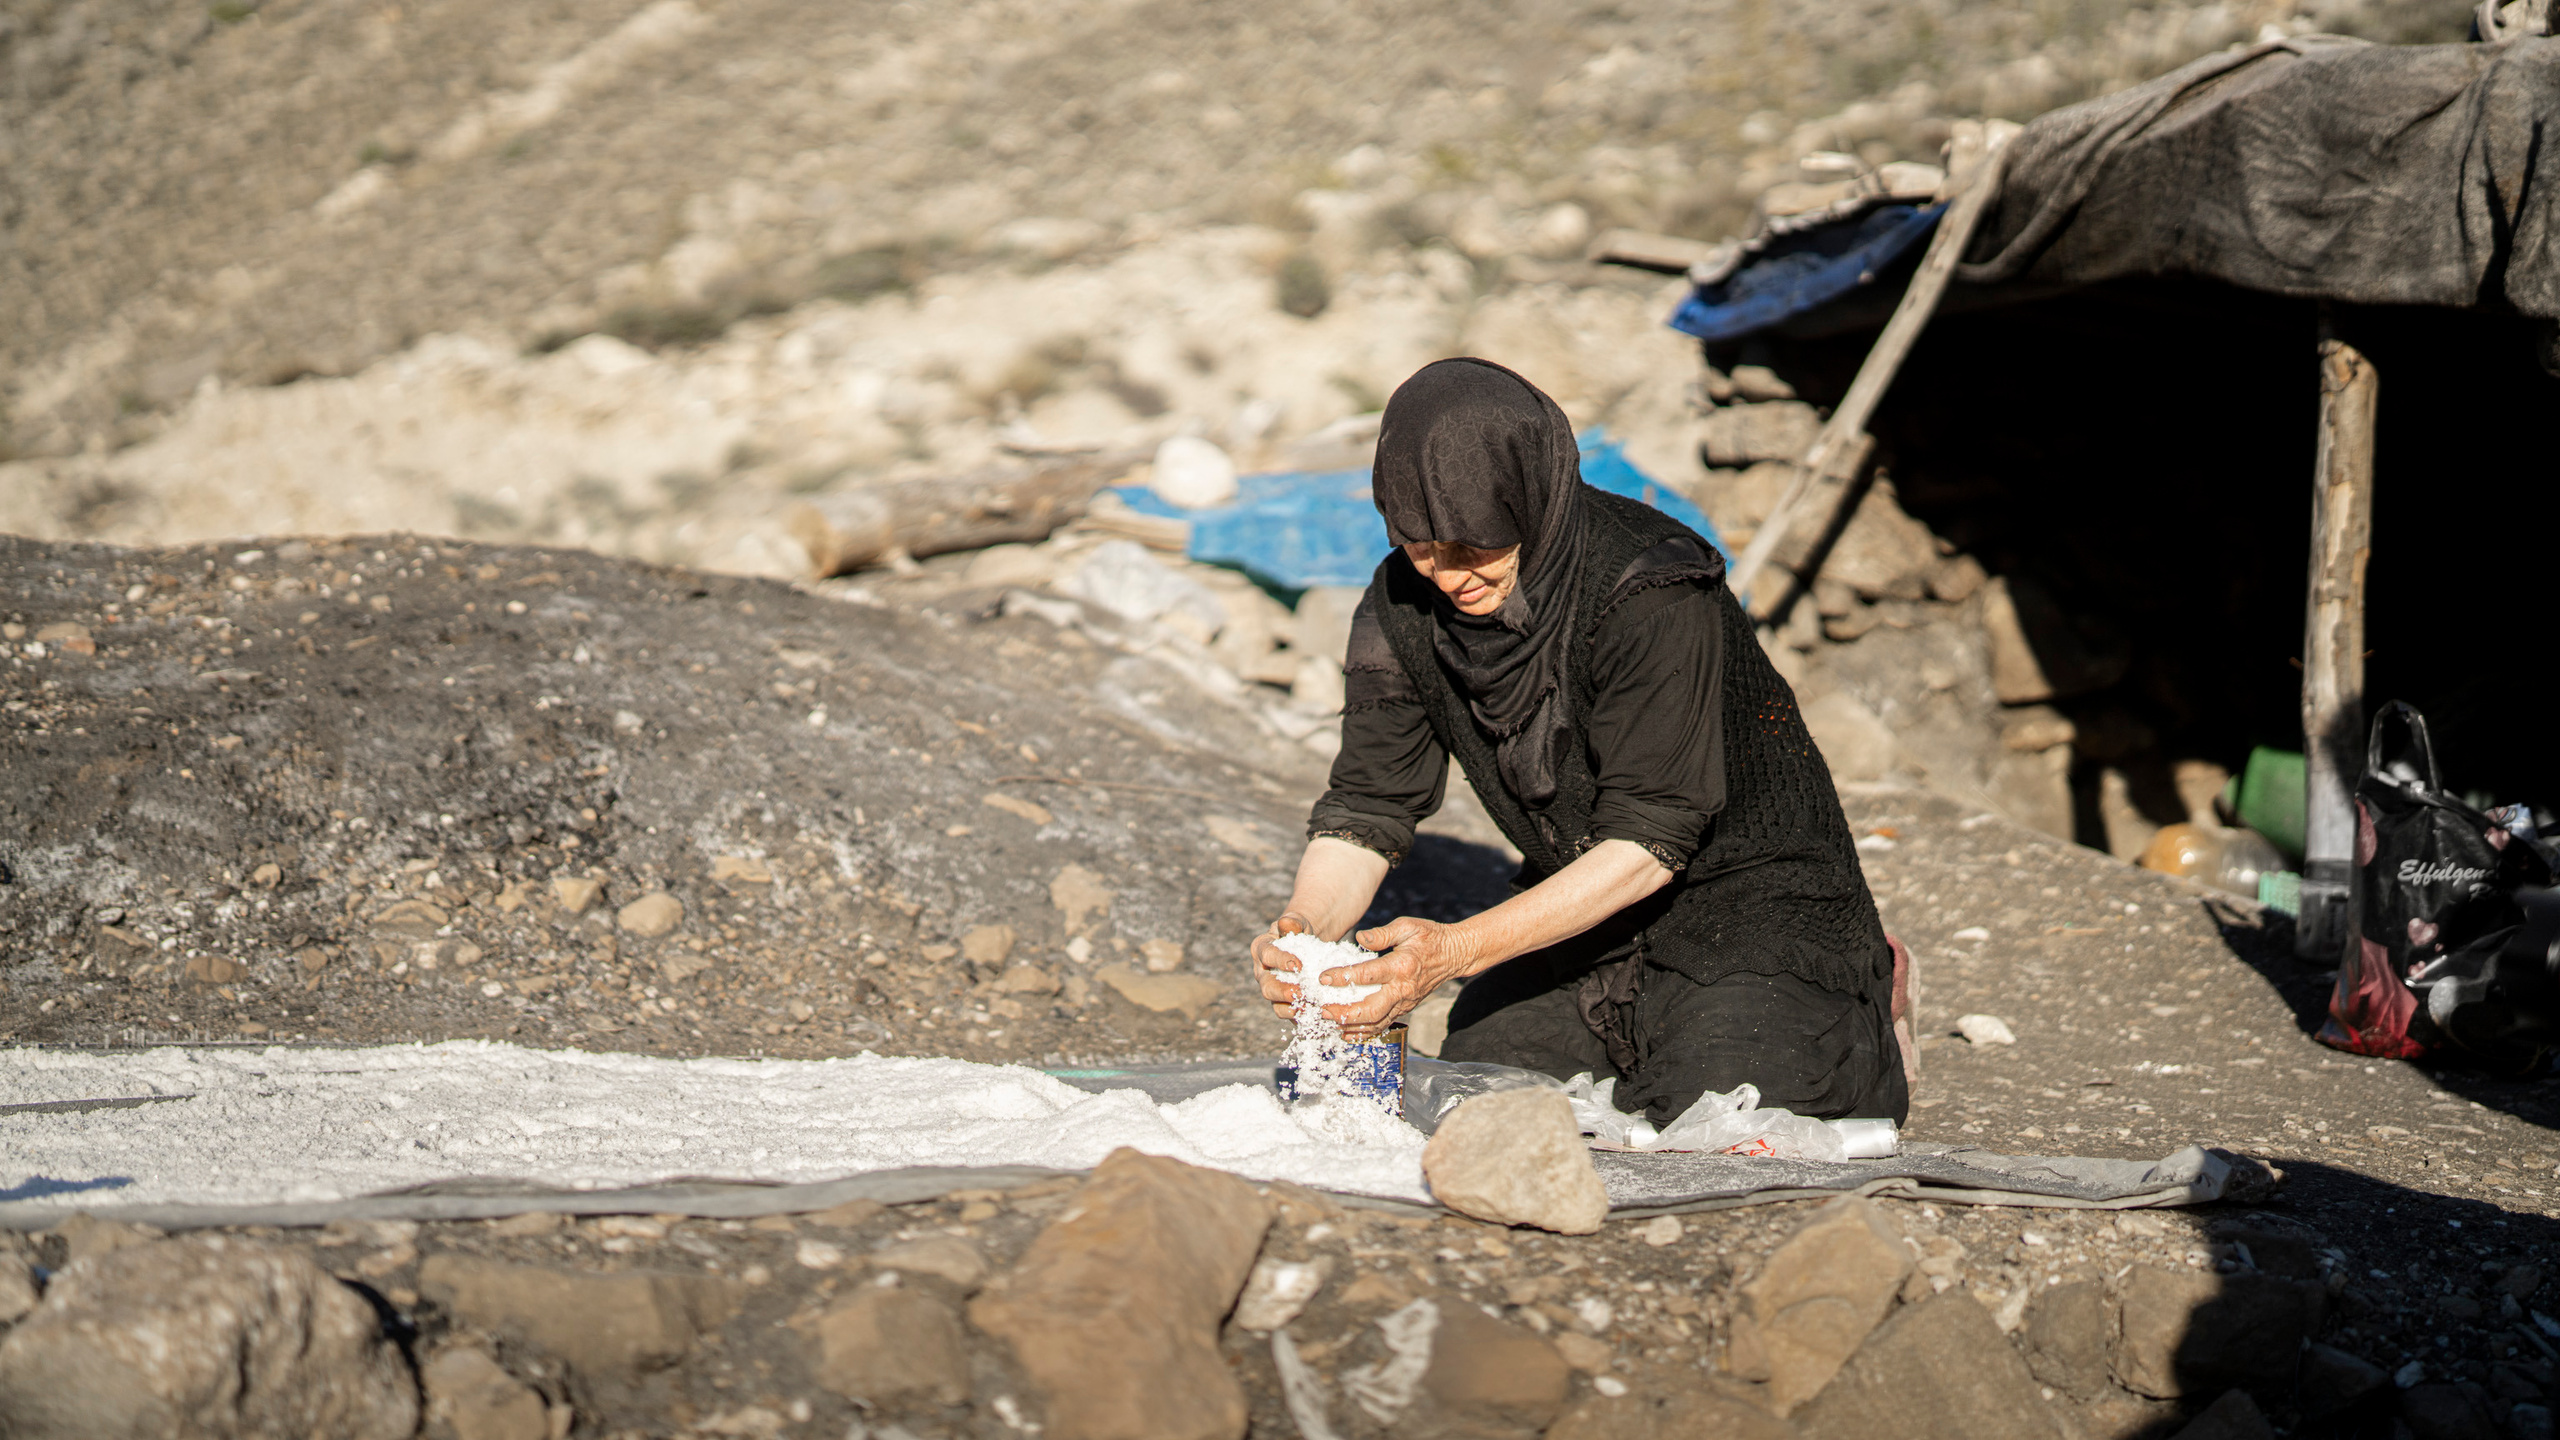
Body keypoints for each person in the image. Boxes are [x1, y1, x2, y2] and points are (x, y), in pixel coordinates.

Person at [1250, 357, 1911, 1126]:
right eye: (1424, 547)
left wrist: (1454, 953)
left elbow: (1653, 836)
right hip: (1587, 915)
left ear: (1529, 502)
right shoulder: (1401, 603)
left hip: (1752, 901)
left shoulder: (1649, 589)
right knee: (1483, 1098)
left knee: (1726, 1114)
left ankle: (1874, 986)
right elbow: (1367, 806)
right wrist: (1305, 929)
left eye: (1475, 546)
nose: (1449, 576)